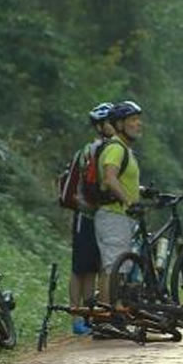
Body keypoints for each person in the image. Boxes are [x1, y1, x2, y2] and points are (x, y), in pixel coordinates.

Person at [69, 102, 115, 335]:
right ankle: (78, 315)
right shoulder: (90, 151)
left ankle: (90, 315)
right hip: (86, 214)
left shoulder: (114, 149)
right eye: (109, 122)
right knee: (80, 267)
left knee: (96, 266)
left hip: (103, 215)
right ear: (99, 125)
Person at [94, 101, 143, 306]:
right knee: (111, 267)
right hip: (113, 213)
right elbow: (109, 178)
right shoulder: (116, 148)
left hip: (121, 216)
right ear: (120, 124)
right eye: (133, 120)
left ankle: (115, 310)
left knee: (118, 267)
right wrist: (127, 201)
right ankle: (106, 316)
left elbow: (123, 180)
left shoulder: (124, 149)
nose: (139, 124)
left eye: (139, 120)